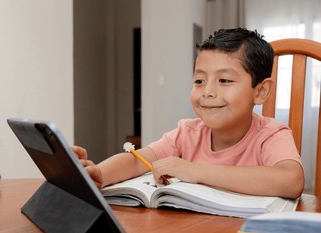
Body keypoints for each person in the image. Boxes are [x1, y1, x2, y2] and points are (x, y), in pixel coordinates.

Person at [73, 28, 304, 199]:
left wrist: (195, 171)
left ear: (261, 91)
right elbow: (136, 162)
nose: (208, 92)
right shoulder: (187, 133)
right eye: (199, 80)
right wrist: (100, 173)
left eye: (224, 80)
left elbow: (292, 181)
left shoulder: (271, 135)